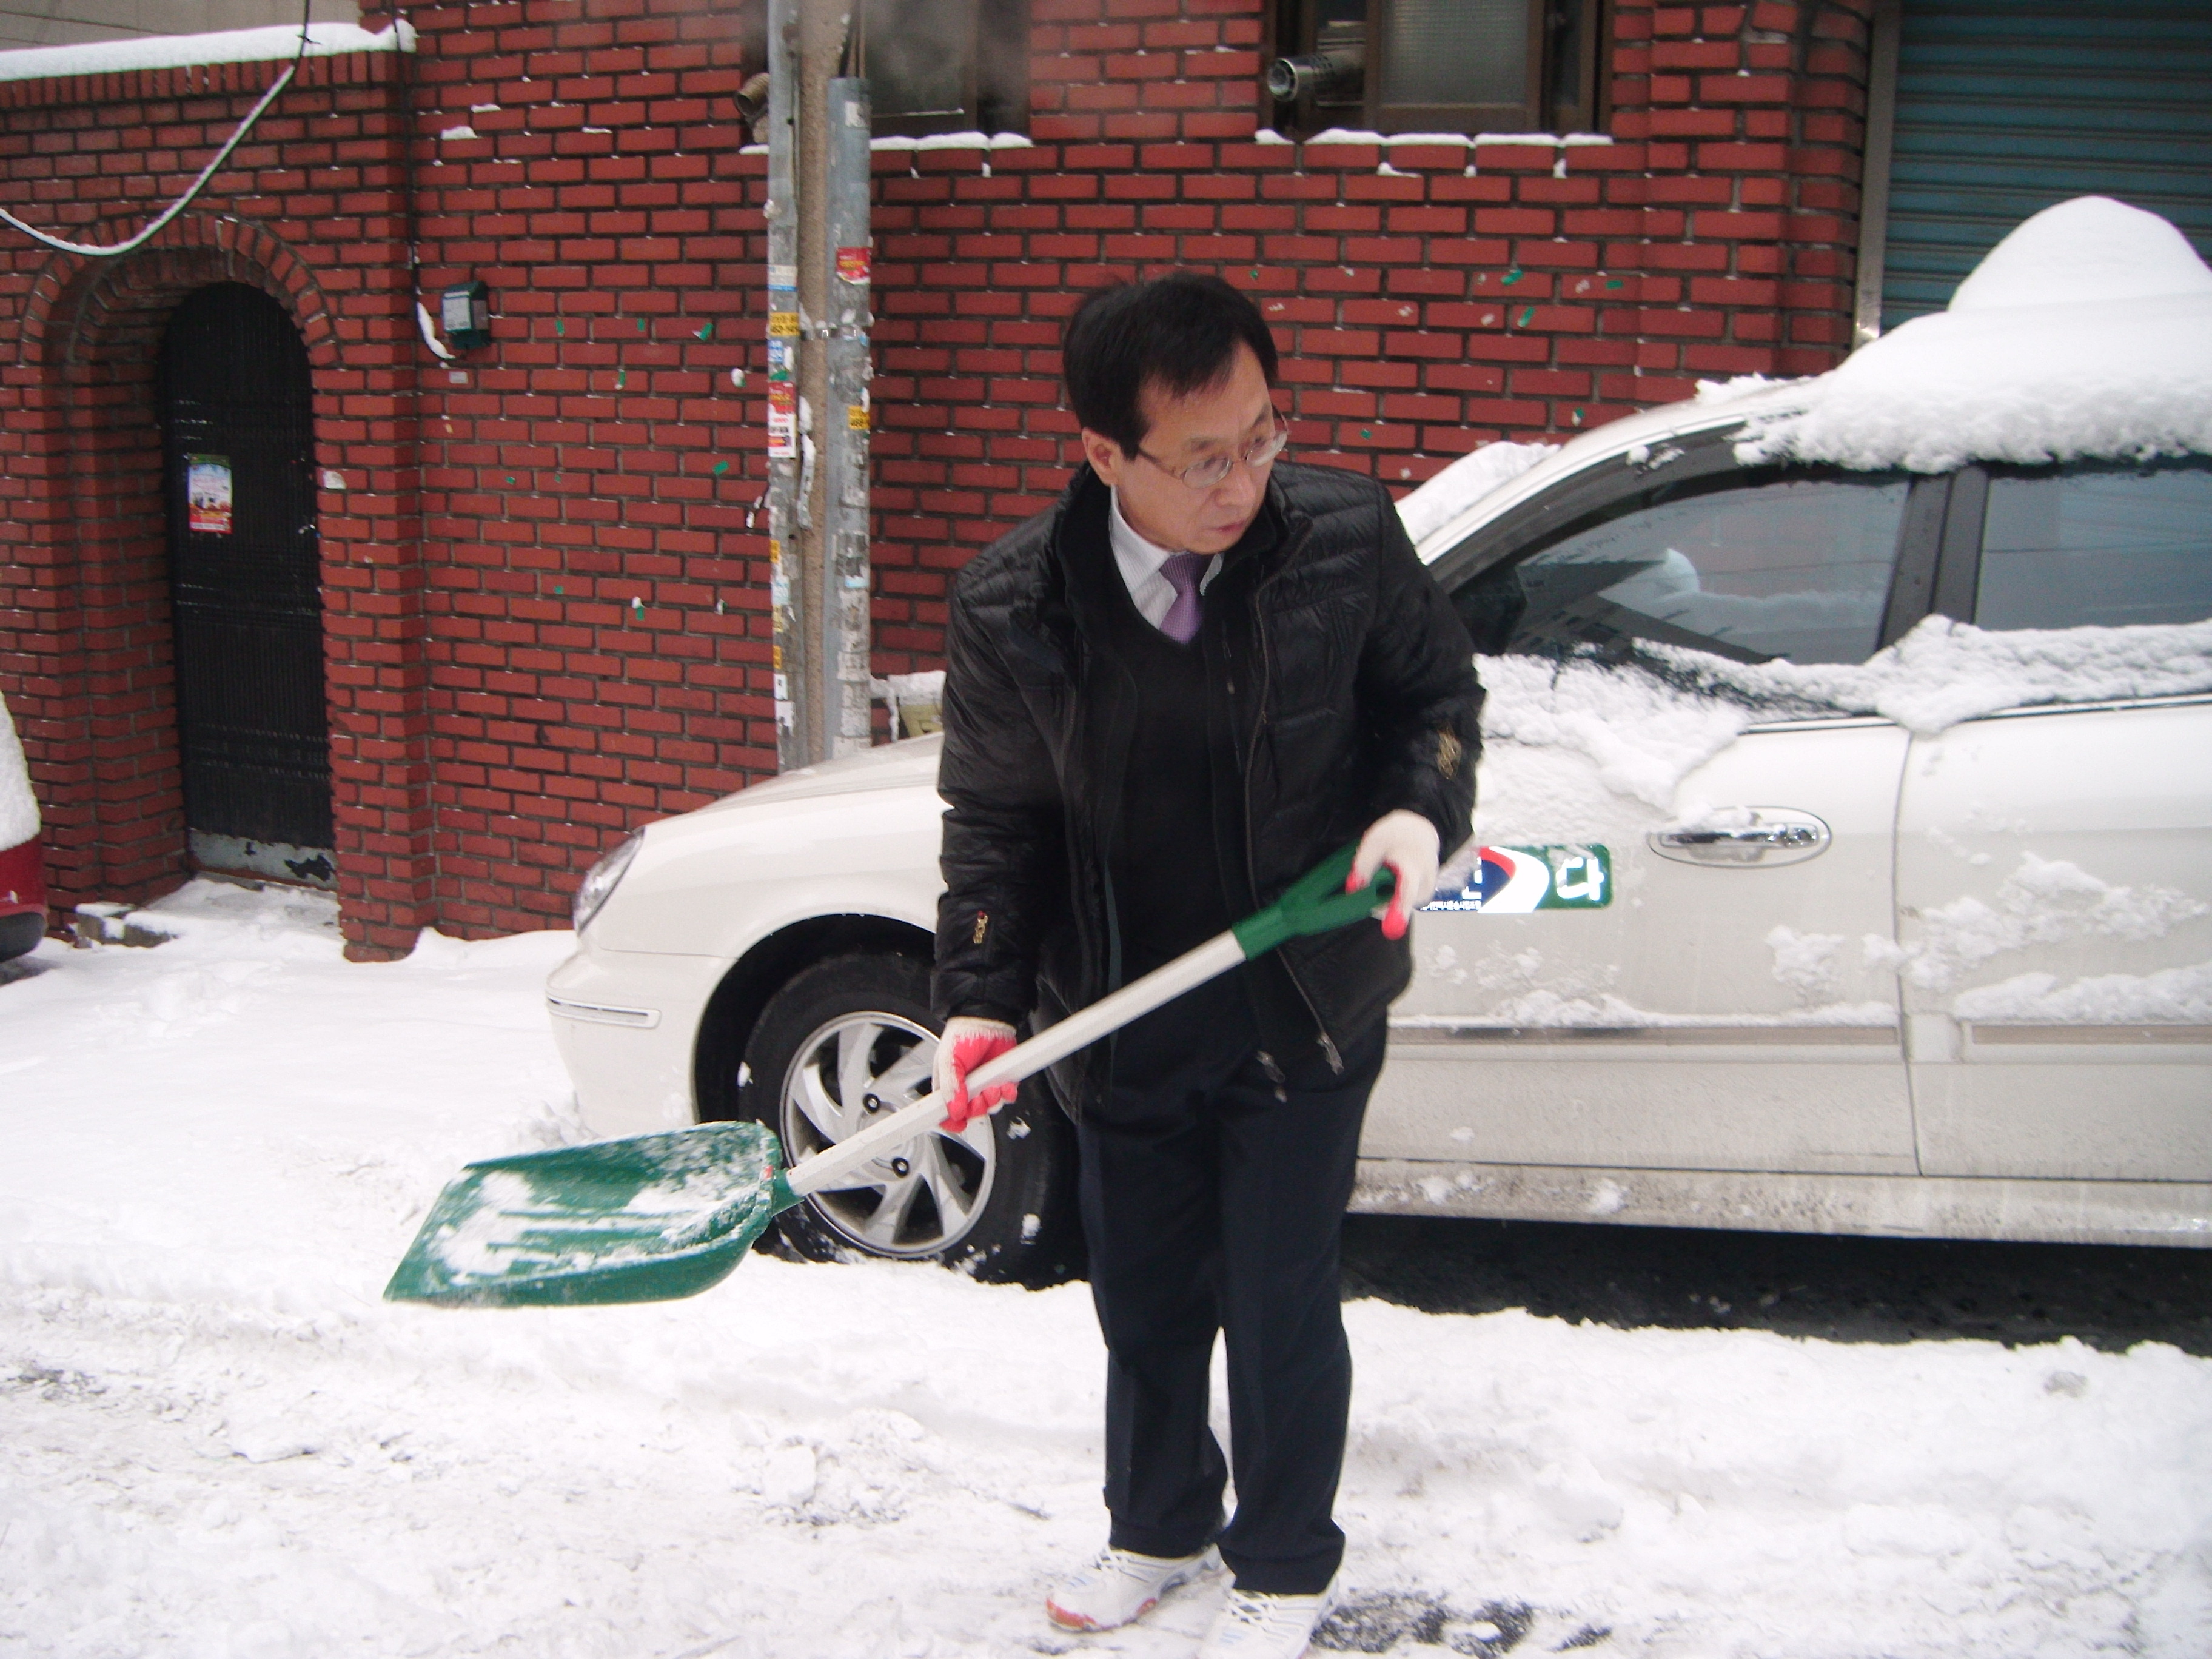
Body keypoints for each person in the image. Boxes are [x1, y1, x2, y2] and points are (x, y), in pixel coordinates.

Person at [930, 272, 1483, 1658]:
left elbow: (1433, 701)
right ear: (1103, 452)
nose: (1243, 483)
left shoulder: (1344, 538)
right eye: (1202, 459)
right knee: (1145, 1296)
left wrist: (1417, 810)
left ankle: (1284, 1564)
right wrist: (981, 999)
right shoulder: (1014, 606)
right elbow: (997, 823)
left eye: (1263, 437)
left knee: (1278, 1292)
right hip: (1122, 1010)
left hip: (1302, 993)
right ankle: (1159, 1525)